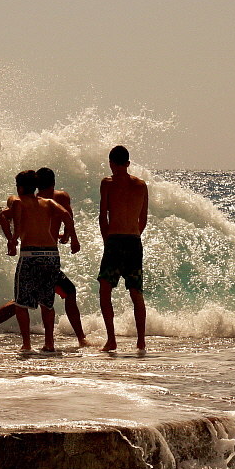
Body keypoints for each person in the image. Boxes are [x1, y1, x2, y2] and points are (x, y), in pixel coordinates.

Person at [0, 168, 90, 348]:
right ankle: (68, 340)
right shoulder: (28, 201)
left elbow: (66, 217)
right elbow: (4, 213)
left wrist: (69, 237)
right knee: (27, 301)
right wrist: (10, 237)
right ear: (37, 187)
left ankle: (72, 339)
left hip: (45, 256)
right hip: (43, 255)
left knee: (31, 300)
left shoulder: (53, 199)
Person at [5, 169, 80, 353]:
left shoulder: (16, 200)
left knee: (21, 304)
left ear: (21, 188)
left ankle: (27, 345)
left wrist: (12, 238)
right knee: (47, 302)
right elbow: (66, 216)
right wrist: (74, 238)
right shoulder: (49, 202)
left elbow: (9, 207)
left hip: (30, 254)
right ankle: (49, 344)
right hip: (51, 255)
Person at [97, 145, 149, 352]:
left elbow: (103, 215)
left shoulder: (107, 183)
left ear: (111, 163)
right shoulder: (141, 184)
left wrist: (106, 240)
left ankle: (111, 340)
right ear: (128, 163)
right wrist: (135, 235)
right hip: (134, 240)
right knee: (136, 291)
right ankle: (141, 341)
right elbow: (143, 218)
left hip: (115, 240)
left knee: (105, 288)